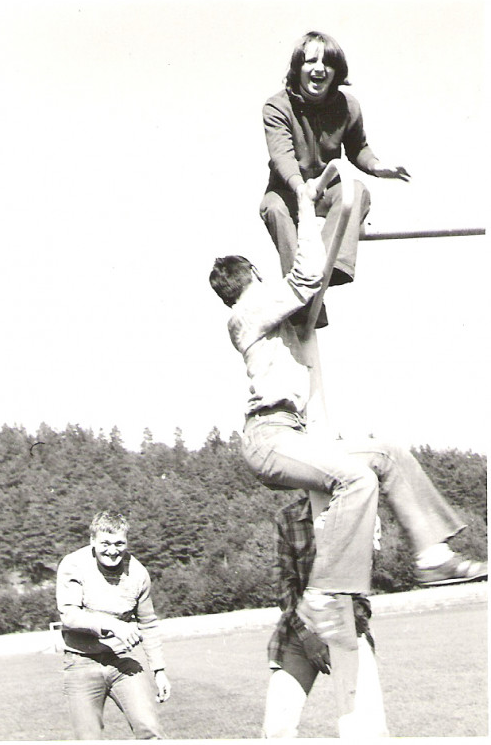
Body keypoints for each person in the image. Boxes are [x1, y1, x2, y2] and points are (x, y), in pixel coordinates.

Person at [209, 189, 487, 643]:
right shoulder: (248, 310)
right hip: (270, 437)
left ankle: (433, 554)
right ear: (253, 276)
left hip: (294, 434)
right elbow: (304, 278)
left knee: (386, 455)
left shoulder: (267, 316)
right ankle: (322, 591)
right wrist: (303, 202)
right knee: (357, 480)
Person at [260, 29, 410, 323]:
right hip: (290, 191)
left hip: (326, 189)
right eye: (310, 61)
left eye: (327, 63)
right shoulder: (277, 107)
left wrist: (377, 166)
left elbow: (358, 148)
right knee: (273, 208)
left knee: (355, 190)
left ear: (336, 71)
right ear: (297, 68)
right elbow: (282, 156)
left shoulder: (347, 105)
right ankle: (302, 297)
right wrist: (299, 187)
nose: (319, 69)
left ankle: (330, 268)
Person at [262, 494, 388, 738]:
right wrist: (308, 636)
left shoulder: (361, 511)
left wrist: (345, 629)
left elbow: (363, 583)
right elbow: (283, 586)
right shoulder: (288, 517)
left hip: (348, 628)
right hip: (299, 632)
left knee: (367, 730)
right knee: (278, 727)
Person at [56, 511, 171, 740]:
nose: (112, 550)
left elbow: (148, 623)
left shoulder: (138, 573)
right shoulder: (73, 564)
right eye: (105, 543)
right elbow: (69, 614)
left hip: (123, 660)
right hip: (81, 662)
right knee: (89, 739)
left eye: (119, 543)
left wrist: (159, 671)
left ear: (126, 542)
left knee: (150, 731)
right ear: (92, 541)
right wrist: (113, 625)